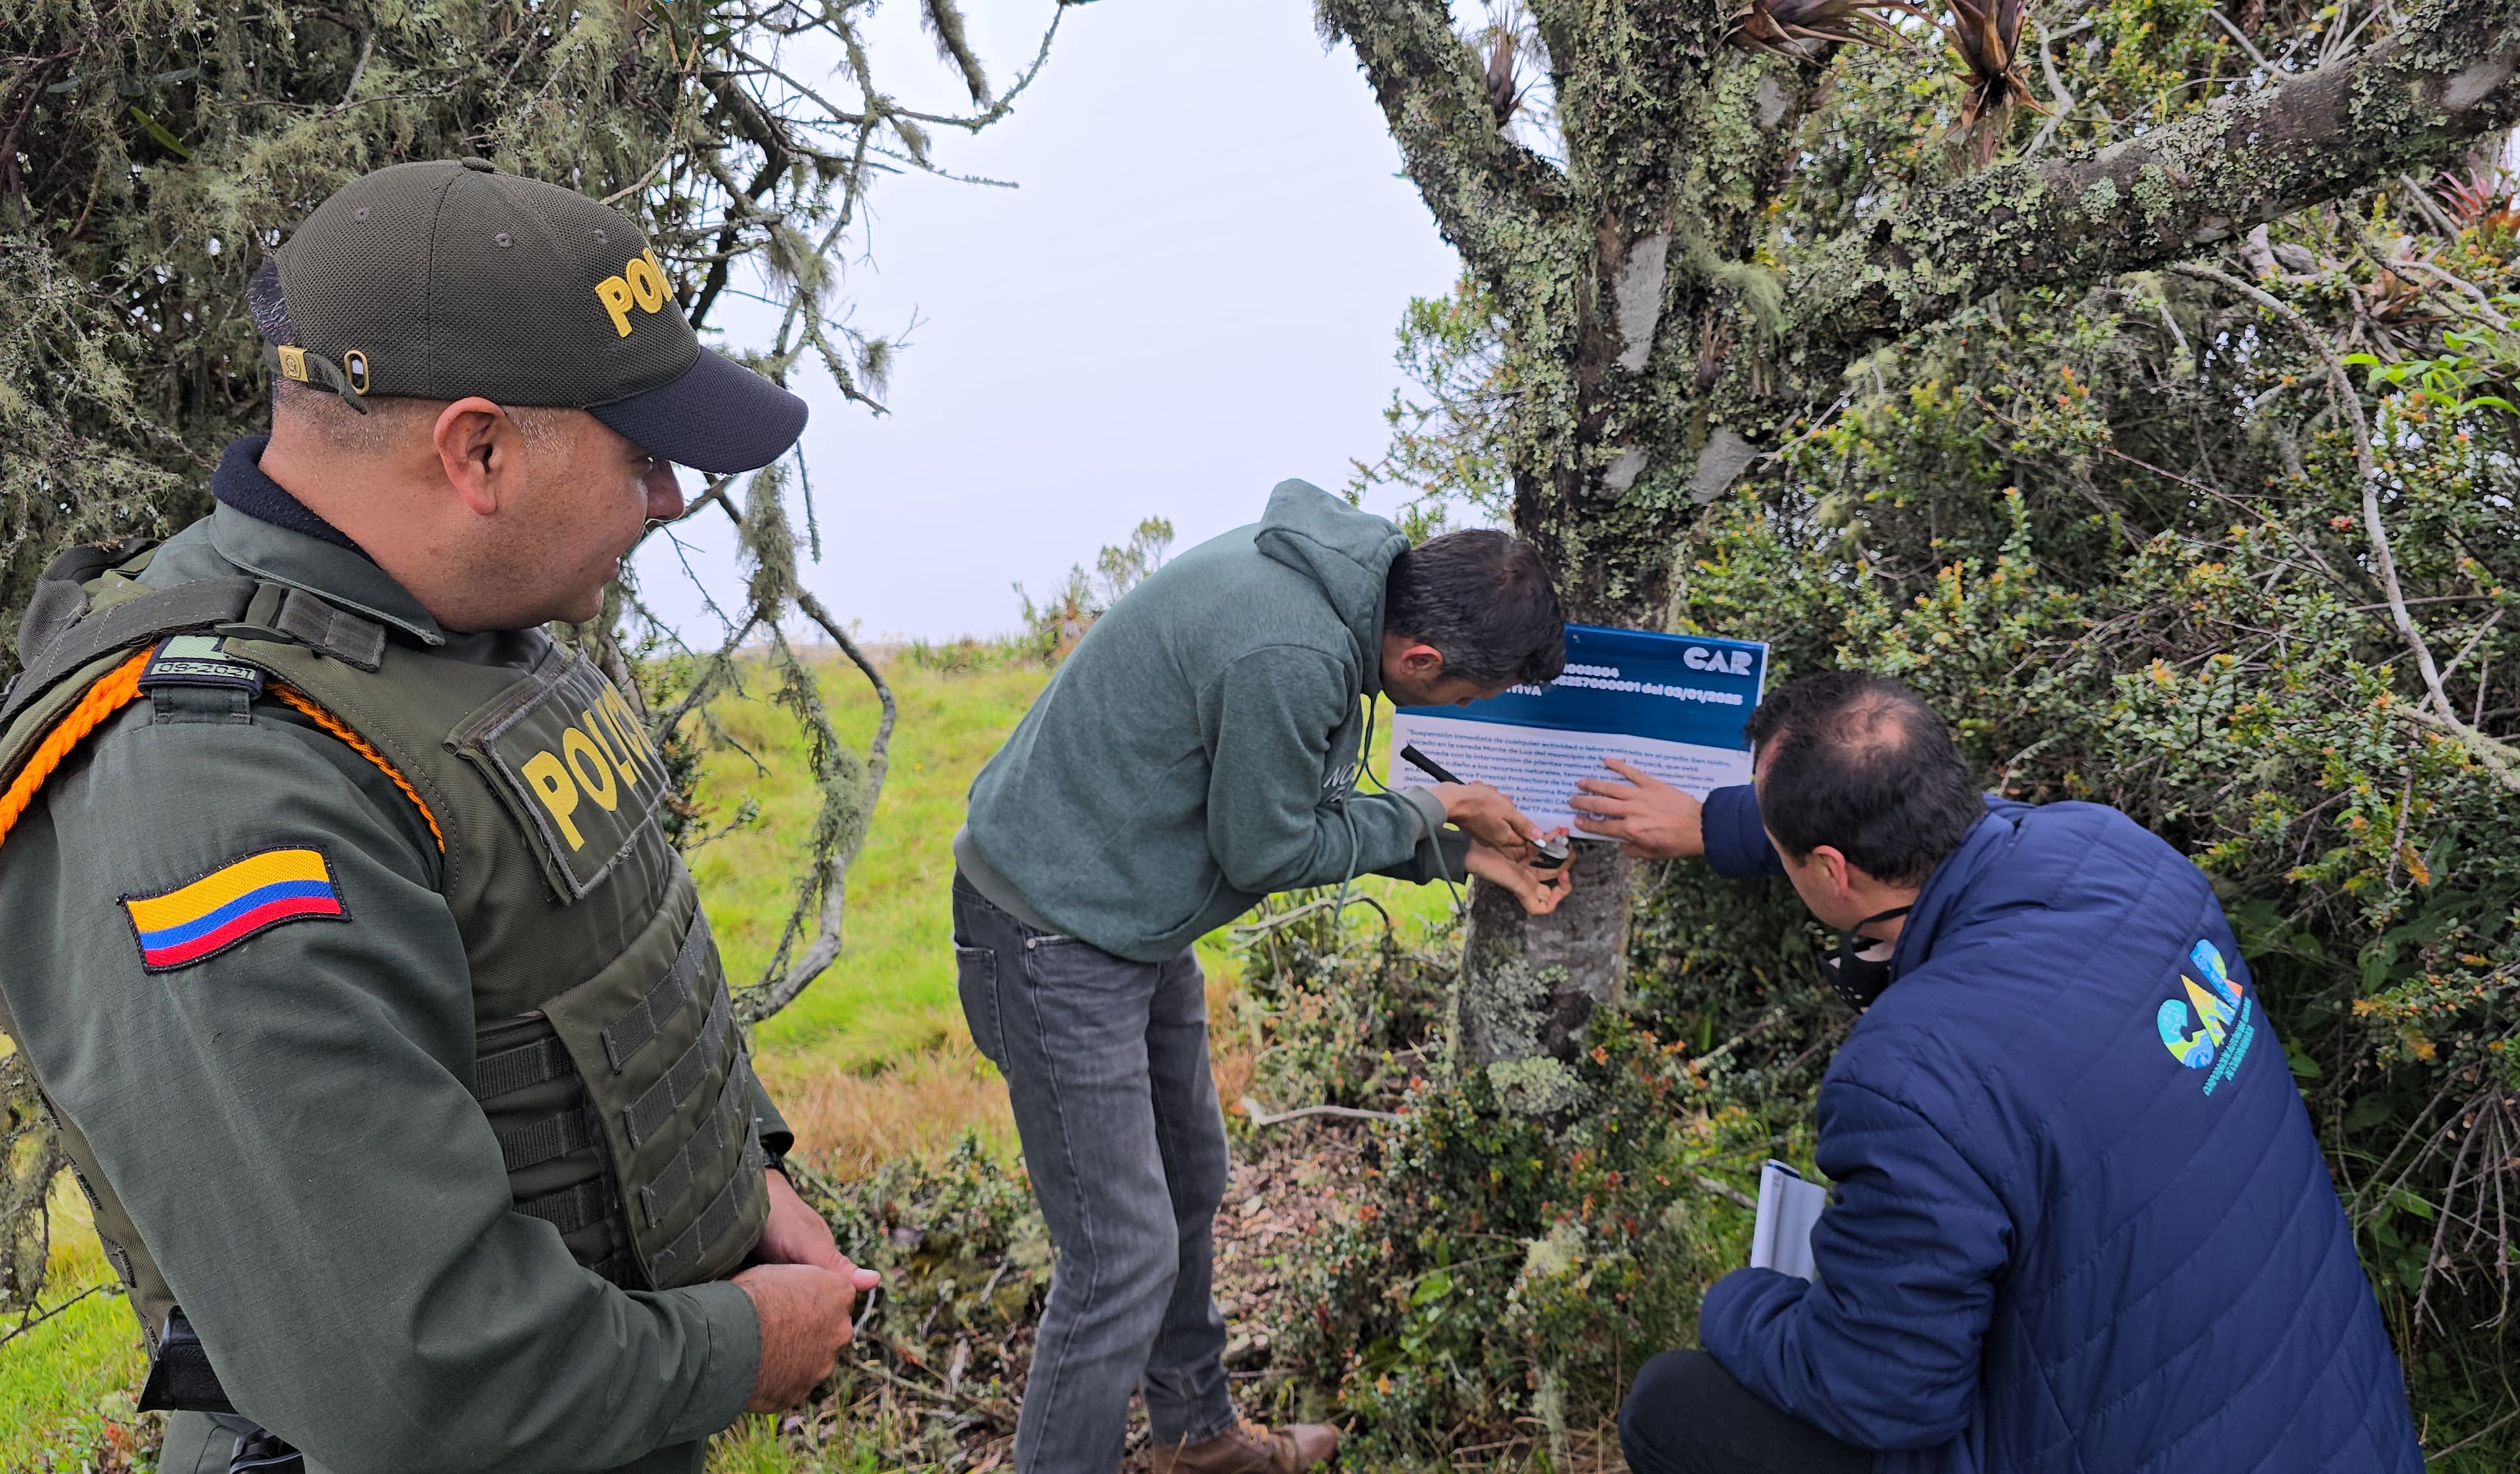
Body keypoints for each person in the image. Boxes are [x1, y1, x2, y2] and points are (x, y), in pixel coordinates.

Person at [0, 160, 878, 1473]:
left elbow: (586, 958)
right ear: (476, 451)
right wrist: (737, 1350)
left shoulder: (435, 625)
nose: (671, 499)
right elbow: (409, 1379)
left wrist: (736, 1175)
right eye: (641, 454)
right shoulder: (214, 785)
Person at [1572, 672, 2421, 1474]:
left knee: (1672, 1404)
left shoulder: (1914, 1073)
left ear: (1831, 870)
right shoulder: (2121, 853)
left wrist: (1739, 1300)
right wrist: (1719, 825)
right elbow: (1972, 826)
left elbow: (1884, 1392)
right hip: (2335, 1423)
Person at [953, 490, 1571, 1472]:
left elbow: (1286, 802)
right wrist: (1433, 807)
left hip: (1129, 911)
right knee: (1121, 1255)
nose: (1460, 717)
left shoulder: (1348, 592)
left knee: (1193, 1178)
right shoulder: (1292, 652)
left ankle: (1197, 1439)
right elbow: (1267, 848)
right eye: (1464, 699)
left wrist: (1452, 845)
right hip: (1051, 931)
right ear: (1420, 659)